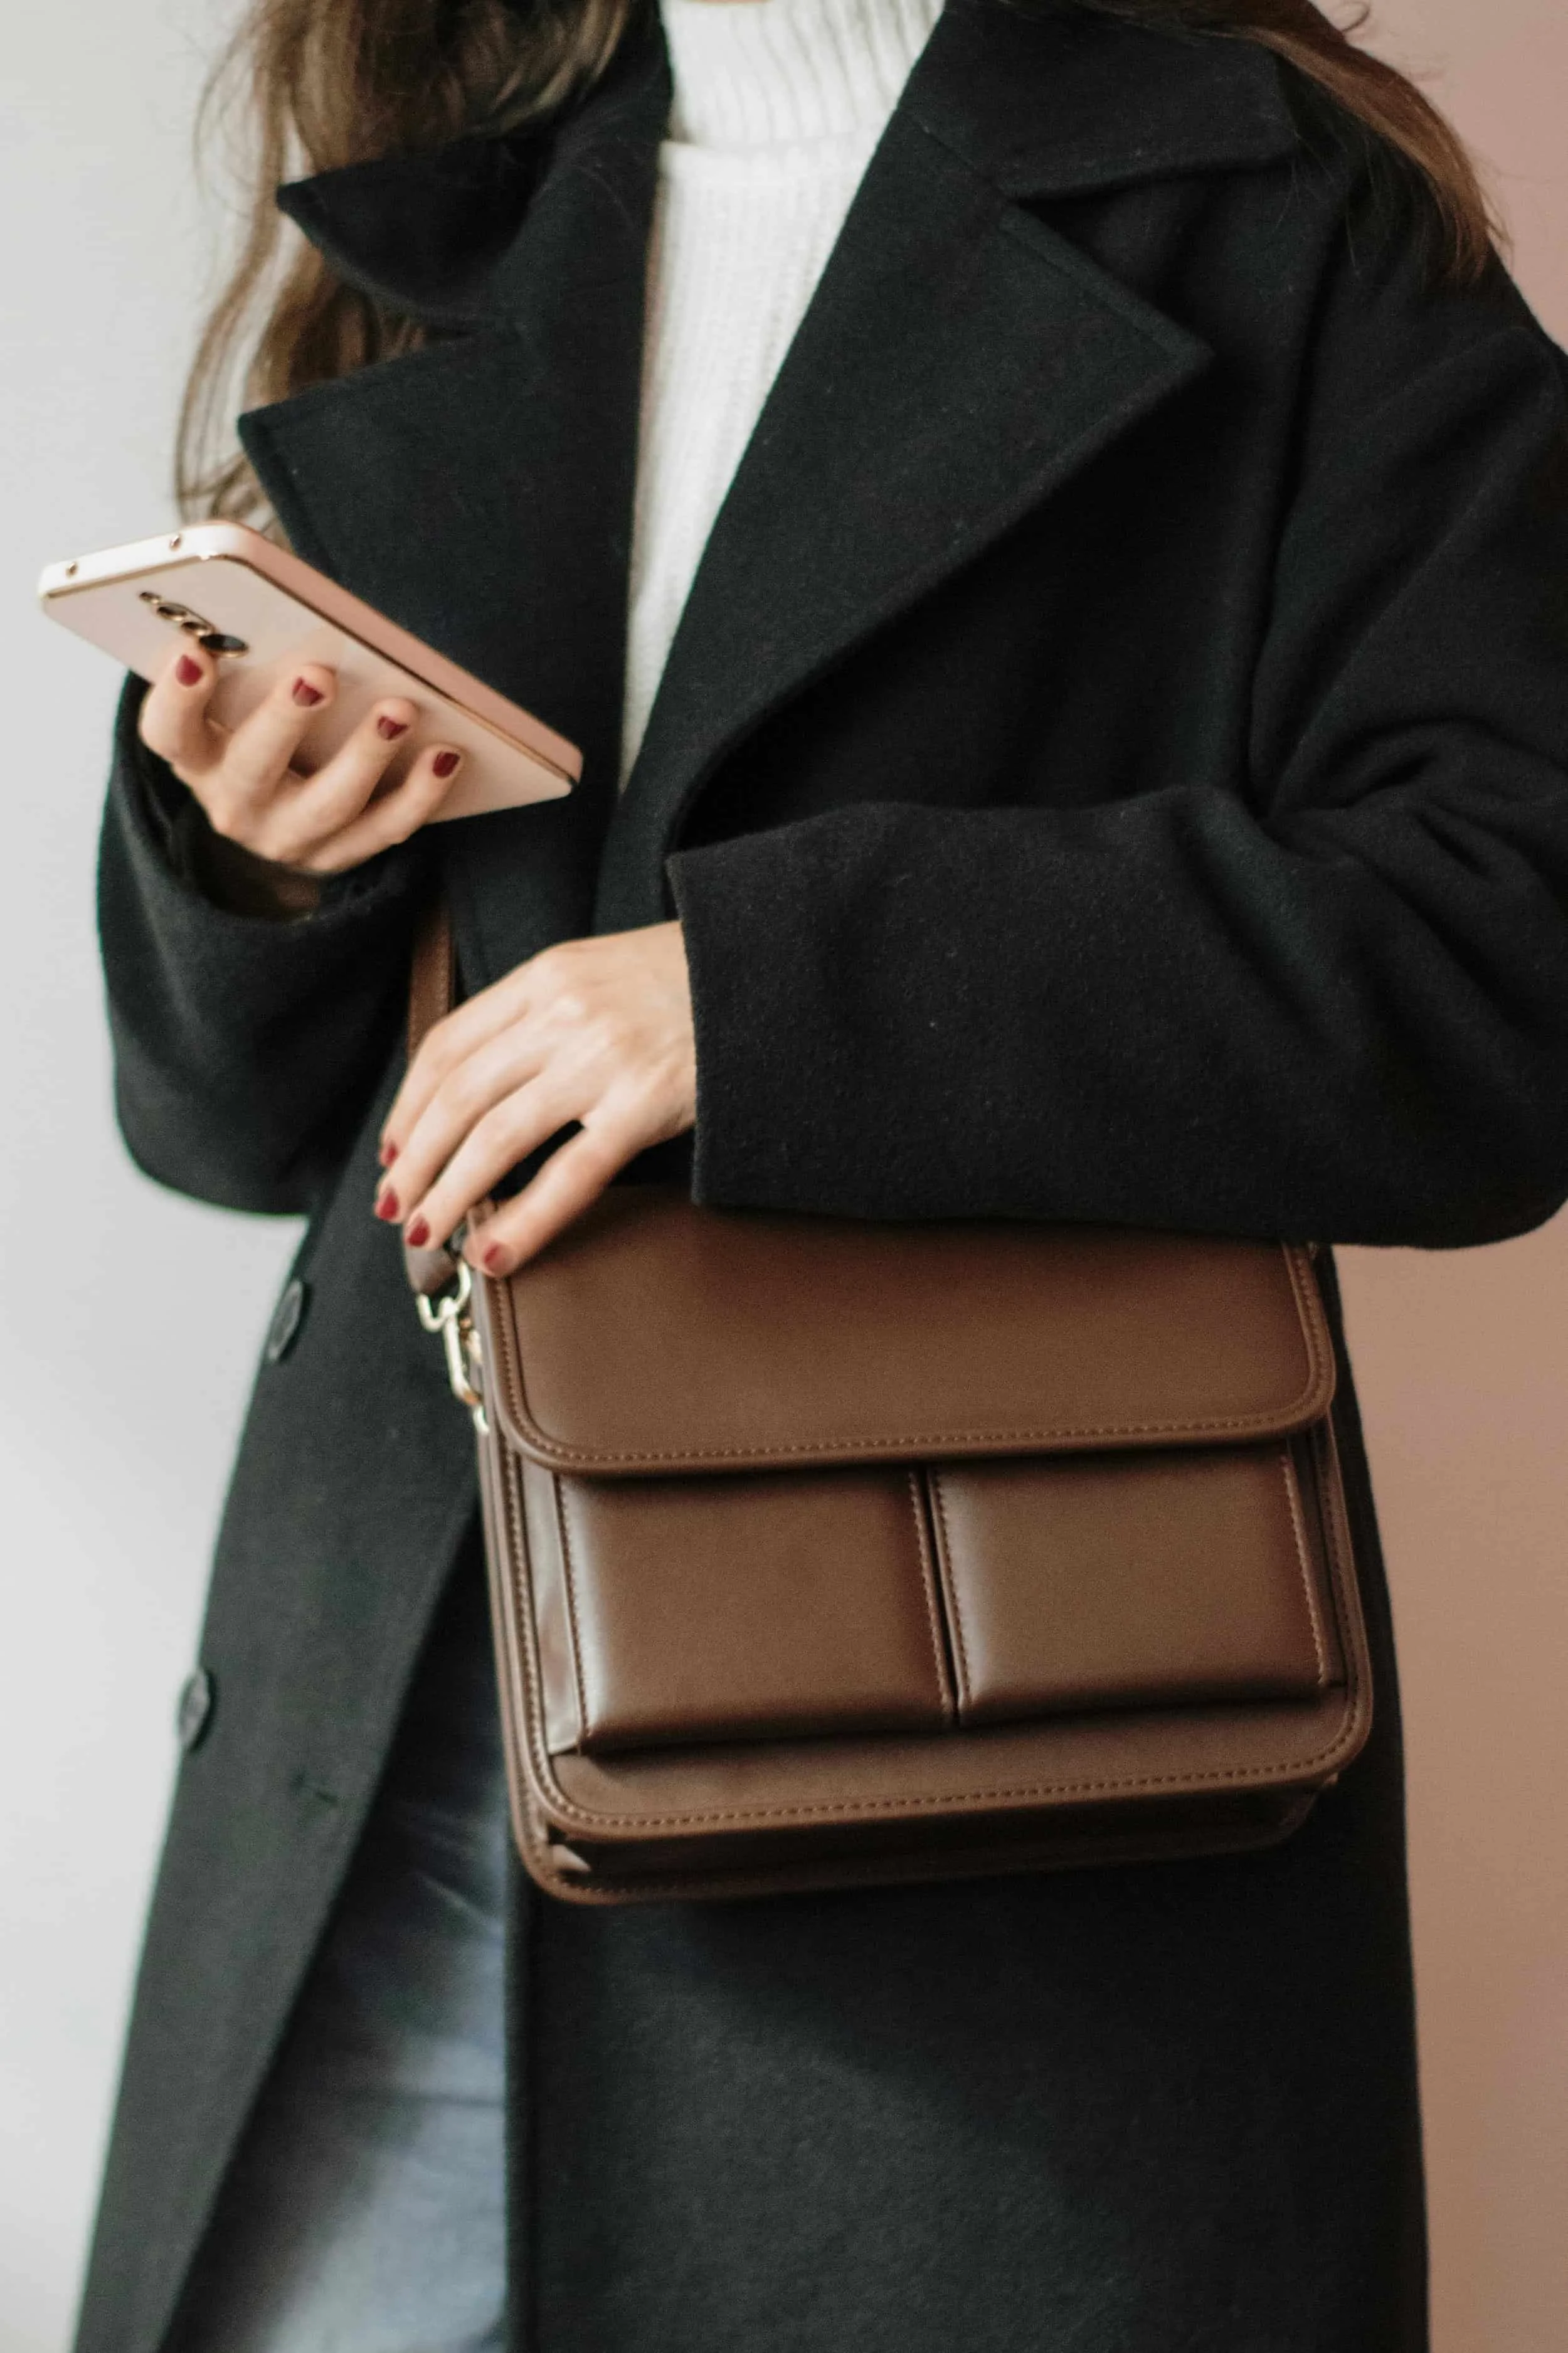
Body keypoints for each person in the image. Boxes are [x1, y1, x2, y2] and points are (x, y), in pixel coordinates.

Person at [73, 0, 1568, 2347]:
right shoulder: (458, 202)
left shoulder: (1287, 205)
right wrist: (252, 863)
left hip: (970, 1836)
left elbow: (1505, 968)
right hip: (386, 1775)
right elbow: (222, 1130)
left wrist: (759, 997)